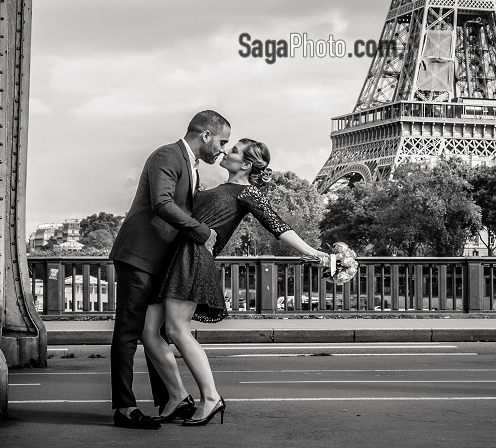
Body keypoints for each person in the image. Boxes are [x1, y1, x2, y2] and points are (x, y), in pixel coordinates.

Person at [141, 138, 329, 427]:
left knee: (178, 330)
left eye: (235, 150)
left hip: (193, 259)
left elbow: (278, 226)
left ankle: (211, 397)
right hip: (175, 258)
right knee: (149, 331)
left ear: (246, 164)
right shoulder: (218, 188)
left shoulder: (248, 193)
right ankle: (177, 396)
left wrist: (313, 252)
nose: (226, 151)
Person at [106, 110, 230, 430]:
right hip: (139, 257)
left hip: (160, 261)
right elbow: (162, 203)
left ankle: (171, 400)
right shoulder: (167, 155)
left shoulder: (192, 166)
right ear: (205, 135)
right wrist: (201, 231)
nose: (223, 149)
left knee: (154, 332)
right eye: (222, 141)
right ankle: (124, 408)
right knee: (129, 334)